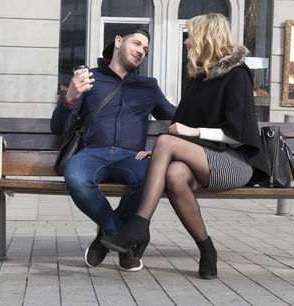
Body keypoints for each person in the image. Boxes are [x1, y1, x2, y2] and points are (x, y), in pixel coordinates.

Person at [100, 13, 269, 279]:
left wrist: (193, 131)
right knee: (174, 175)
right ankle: (207, 249)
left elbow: (239, 135)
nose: (187, 41)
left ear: (205, 36)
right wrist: (158, 153)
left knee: (167, 143)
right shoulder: (198, 79)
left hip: (235, 162)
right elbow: (179, 126)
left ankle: (138, 226)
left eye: (190, 35)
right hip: (205, 159)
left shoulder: (237, 74)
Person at [50, 25, 176, 272]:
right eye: (137, 44)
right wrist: (70, 97)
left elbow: (176, 117)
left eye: (146, 49)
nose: (141, 51)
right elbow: (58, 127)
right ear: (119, 41)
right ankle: (119, 236)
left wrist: (164, 147)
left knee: (152, 178)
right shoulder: (89, 79)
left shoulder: (148, 87)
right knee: (75, 176)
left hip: (132, 157)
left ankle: (105, 239)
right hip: (91, 154)